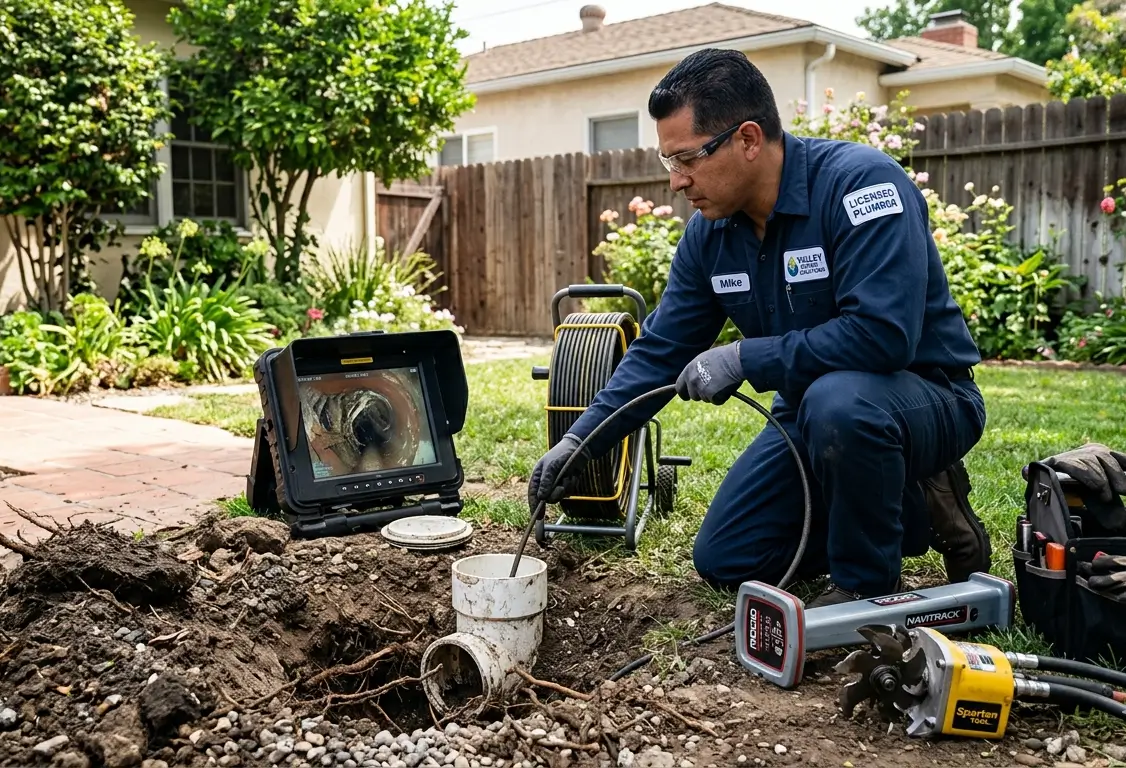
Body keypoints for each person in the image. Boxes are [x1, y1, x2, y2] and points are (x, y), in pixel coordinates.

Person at [526, 48, 992, 608]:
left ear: (748, 139)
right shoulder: (710, 236)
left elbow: (882, 336)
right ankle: (911, 506)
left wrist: (745, 359)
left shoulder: (860, 187)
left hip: (923, 397)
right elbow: (661, 350)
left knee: (839, 403)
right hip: (814, 413)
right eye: (668, 161)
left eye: (687, 159)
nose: (676, 181)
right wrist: (583, 438)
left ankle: (865, 588)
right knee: (727, 558)